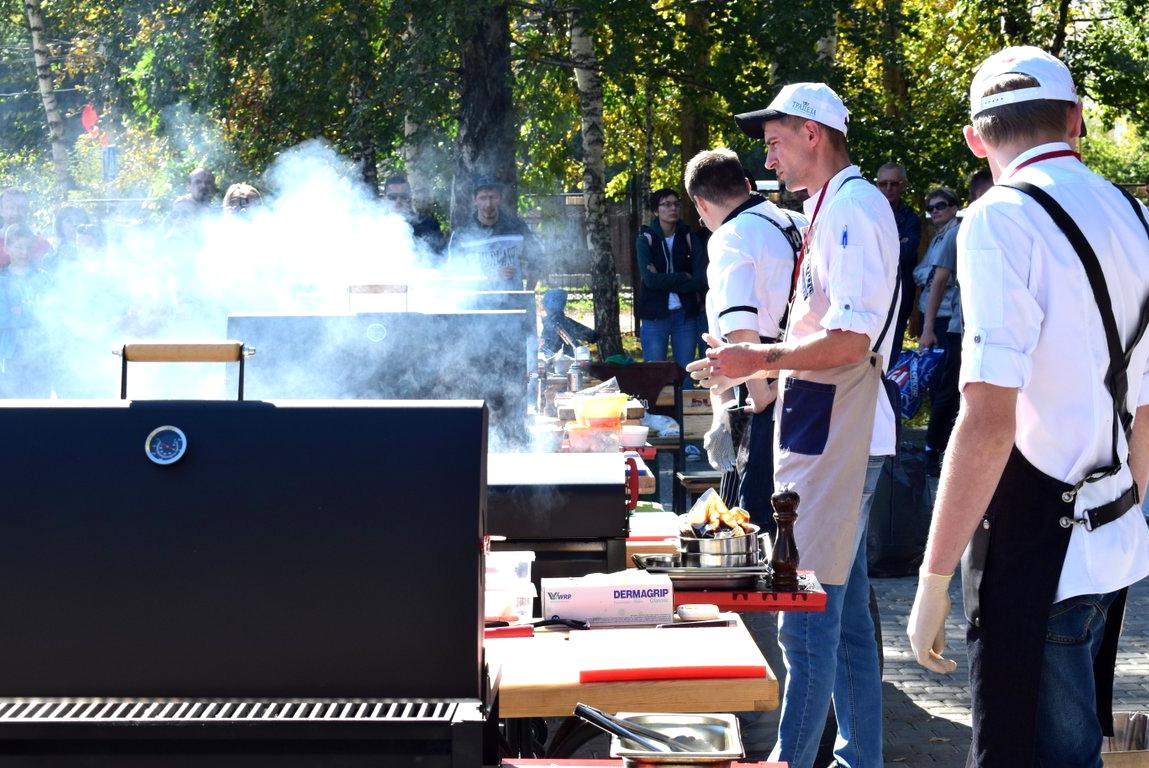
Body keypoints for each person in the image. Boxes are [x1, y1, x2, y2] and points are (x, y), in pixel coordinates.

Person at [907, 46, 1149, 768]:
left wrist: (931, 577)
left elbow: (986, 417)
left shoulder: (996, 220)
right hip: (1109, 540)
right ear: (1075, 121)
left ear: (975, 139)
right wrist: (1129, 513)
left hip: (1035, 549)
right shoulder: (1133, 213)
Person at [691, 83, 898, 768]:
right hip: (825, 426)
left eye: (775, 137)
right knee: (839, 630)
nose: (766, 154)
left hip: (840, 430)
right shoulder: (827, 208)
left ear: (813, 132)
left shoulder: (851, 209)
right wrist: (752, 363)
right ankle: (854, 759)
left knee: (803, 621)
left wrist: (759, 358)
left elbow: (850, 339)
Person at [684, 147, 806, 758]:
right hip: (814, 395)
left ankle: (771, 714)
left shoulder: (730, 238)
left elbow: (739, 328)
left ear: (703, 203)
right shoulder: (790, 220)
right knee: (817, 552)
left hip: (773, 405)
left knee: (766, 559)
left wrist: (752, 396)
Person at [911, 187, 962, 475]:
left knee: (946, 386)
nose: (935, 211)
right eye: (931, 208)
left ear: (954, 206)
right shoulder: (937, 236)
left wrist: (928, 327)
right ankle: (936, 444)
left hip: (945, 319)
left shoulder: (954, 234)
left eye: (941, 205)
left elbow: (940, 282)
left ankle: (934, 447)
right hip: (934, 316)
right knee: (938, 385)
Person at [634, 188, 706, 370]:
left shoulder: (689, 237)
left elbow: (700, 280)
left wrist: (663, 280)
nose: (672, 208)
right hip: (654, 317)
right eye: (666, 204)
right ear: (655, 211)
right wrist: (682, 276)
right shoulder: (645, 239)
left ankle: (682, 400)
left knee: (686, 374)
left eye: (676, 204)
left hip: (685, 316)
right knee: (654, 374)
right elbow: (649, 281)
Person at [447, 176, 540, 291]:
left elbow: (537, 258)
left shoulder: (517, 227)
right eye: (483, 198)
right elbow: (453, 273)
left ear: (500, 198)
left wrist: (528, 293)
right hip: (476, 305)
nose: (488, 204)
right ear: (474, 200)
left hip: (514, 303)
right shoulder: (462, 235)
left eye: (493, 197)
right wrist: (488, 277)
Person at [875, 162, 921, 367]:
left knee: (889, 362)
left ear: (903, 185)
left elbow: (906, 254)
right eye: (882, 183)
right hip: (871, 298)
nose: (888, 188)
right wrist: (895, 244)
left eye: (894, 183)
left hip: (899, 299)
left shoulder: (911, 219)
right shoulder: (868, 213)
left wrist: (878, 248)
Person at [382, 174, 445, 259]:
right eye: (392, 197)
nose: (398, 201)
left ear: (410, 199)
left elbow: (439, 258)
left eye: (404, 197)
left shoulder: (428, 224)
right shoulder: (373, 225)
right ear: (384, 199)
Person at [0, 188, 52, 268]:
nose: (16, 212)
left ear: (27, 210)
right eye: (10, 207)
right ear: (1, 210)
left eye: (21, 208)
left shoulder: (42, 245)